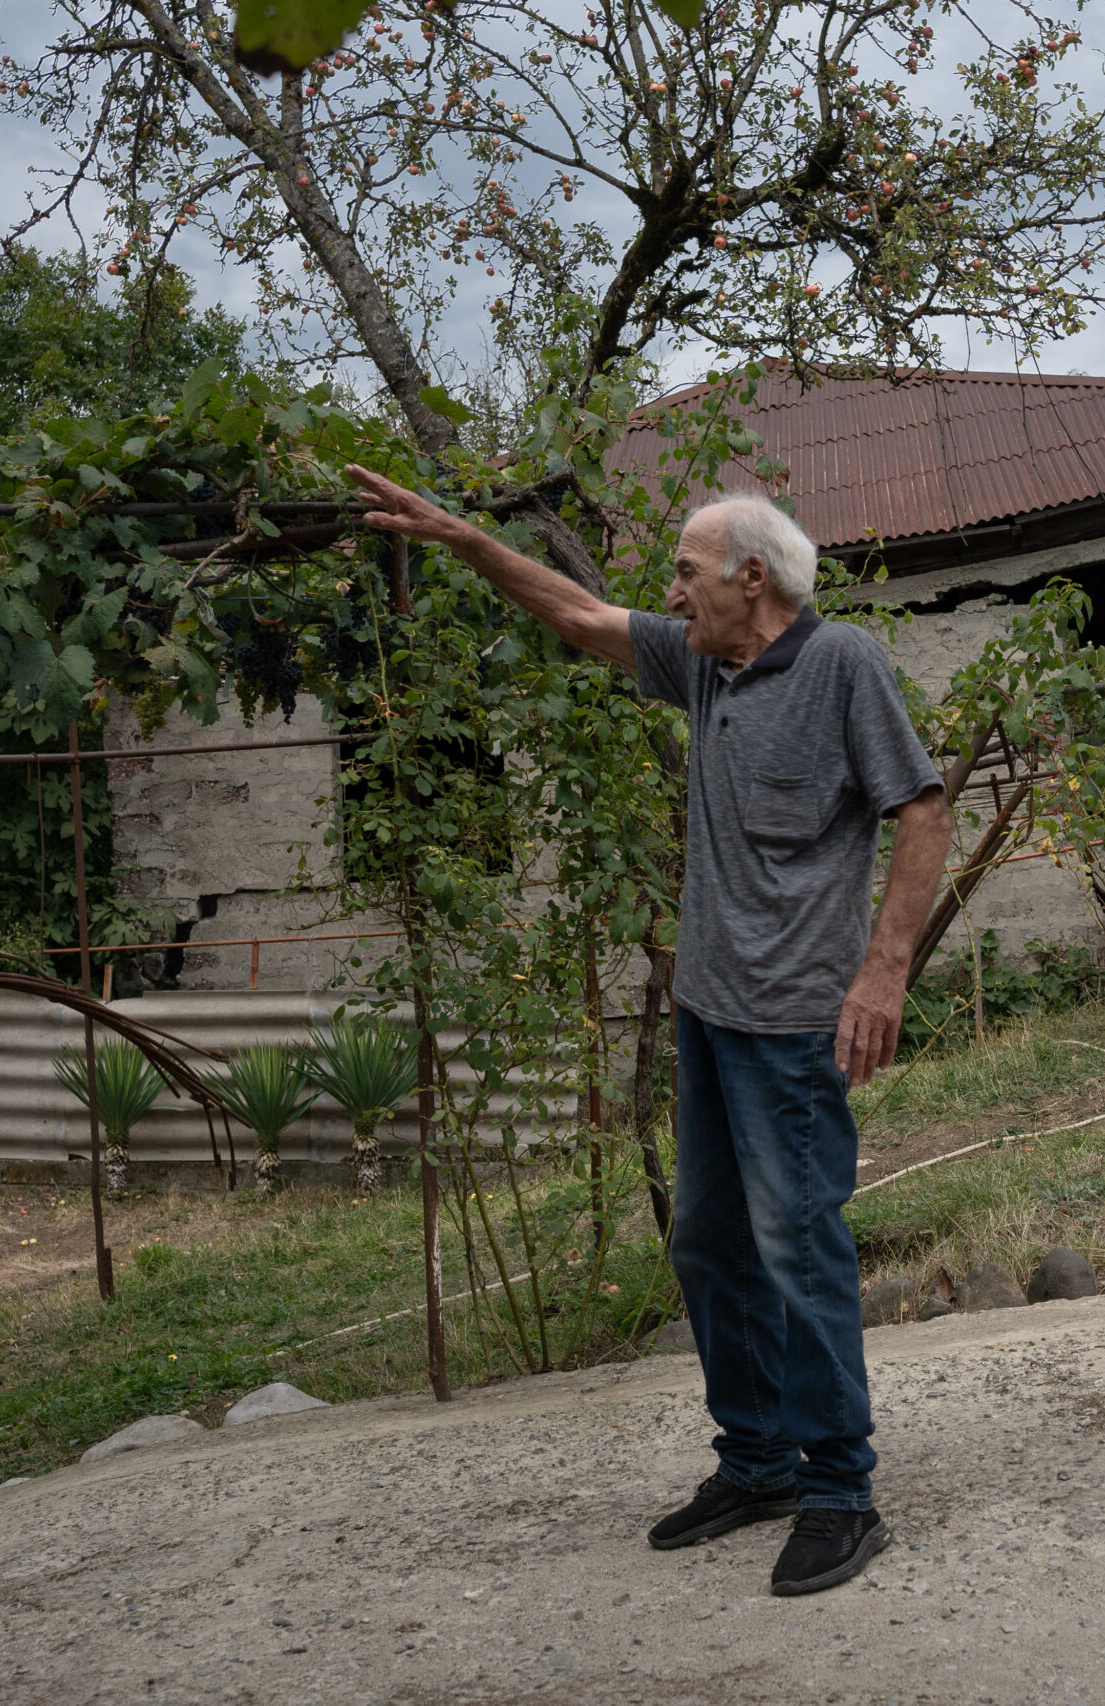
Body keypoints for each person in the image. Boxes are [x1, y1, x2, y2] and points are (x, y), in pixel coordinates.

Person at [346, 465, 952, 1596]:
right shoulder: (704, 666)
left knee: (797, 1245)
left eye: (684, 571)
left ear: (751, 578)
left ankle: (840, 1491)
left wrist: (883, 972)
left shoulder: (842, 664)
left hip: (791, 1024)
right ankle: (759, 1462)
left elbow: (921, 810)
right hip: (709, 1016)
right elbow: (577, 614)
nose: (669, 591)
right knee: (709, 1243)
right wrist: (461, 538)